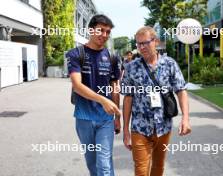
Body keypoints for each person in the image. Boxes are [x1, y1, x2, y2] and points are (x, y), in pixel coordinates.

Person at [121, 26, 191, 176]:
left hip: (163, 127)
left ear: (156, 42)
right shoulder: (131, 68)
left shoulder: (169, 64)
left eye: (146, 43)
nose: (142, 47)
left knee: (158, 168)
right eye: (139, 44)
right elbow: (127, 99)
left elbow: (181, 90)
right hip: (139, 127)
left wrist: (185, 118)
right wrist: (125, 130)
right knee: (141, 171)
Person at [66, 14, 121, 176]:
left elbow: (114, 87)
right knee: (92, 163)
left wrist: (117, 118)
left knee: (104, 163)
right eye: (100, 30)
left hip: (105, 119)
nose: (104, 35)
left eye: (107, 32)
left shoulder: (112, 57)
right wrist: (102, 99)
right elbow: (77, 85)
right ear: (91, 30)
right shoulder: (76, 54)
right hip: (84, 118)